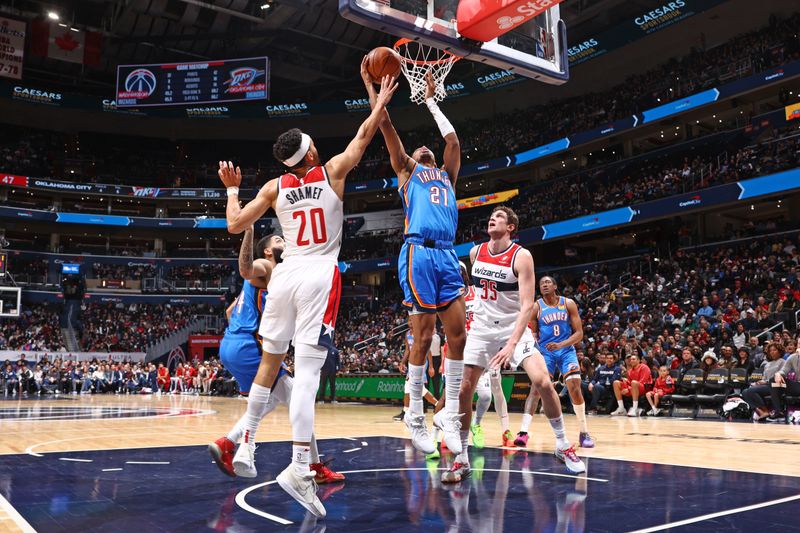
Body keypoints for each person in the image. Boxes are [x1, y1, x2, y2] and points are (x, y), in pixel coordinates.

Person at [219, 73, 397, 518]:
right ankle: (299, 467)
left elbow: (235, 225)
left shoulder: (275, 188)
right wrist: (378, 99)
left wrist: (231, 189)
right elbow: (365, 133)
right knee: (310, 375)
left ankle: (247, 445)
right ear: (312, 154)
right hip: (319, 273)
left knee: (271, 363)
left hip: (284, 276)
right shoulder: (333, 170)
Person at [363, 65, 467, 456]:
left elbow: (453, 143)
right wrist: (372, 87)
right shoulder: (407, 171)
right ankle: (416, 416)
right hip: (419, 252)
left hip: (446, 254)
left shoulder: (447, 176)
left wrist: (430, 102)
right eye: (420, 148)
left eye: (428, 148)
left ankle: (451, 414)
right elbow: (385, 125)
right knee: (423, 337)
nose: (425, 148)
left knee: (458, 336)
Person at [443, 207, 585, 483]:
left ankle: (562, 444)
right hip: (483, 330)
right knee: (463, 390)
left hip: (513, 328)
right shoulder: (475, 253)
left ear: (510, 227)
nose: (492, 218)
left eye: (499, 216)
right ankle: (461, 459)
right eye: (491, 216)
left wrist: (510, 344)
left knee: (543, 381)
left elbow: (526, 306)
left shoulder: (522, 256)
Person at [209, 228, 344, 486]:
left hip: (232, 342)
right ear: (268, 250)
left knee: (277, 400)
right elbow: (248, 268)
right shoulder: (267, 266)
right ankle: (308, 465)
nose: (284, 241)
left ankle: (228, 441)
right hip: (247, 344)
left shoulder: (275, 277)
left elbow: (229, 311)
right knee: (298, 400)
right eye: (279, 239)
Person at [531, 276, 595, 448]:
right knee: (539, 388)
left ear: (555, 286)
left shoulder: (568, 303)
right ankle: (524, 432)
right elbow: (533, 332)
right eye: (541, 283)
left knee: (574, 386)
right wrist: (537, 350)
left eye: (547, 282)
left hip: (566, 350)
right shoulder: (536, 307)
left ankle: (584, 432)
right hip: (547, 353)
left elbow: (579, 333)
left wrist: (561, 344)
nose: (544, 285)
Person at [743, 341, 786, 421]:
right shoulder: (767, 364)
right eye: (770, 350)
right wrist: (759, 382)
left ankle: (766, 411)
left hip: (776, 386)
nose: (772, 352)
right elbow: (764, 377)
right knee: (745, 392)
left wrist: (765, 382)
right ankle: (762, 411)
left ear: (780, 351)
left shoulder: (783, 362)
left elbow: (782, 376)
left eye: (774, 350)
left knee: (751, 391)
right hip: (766, 385)